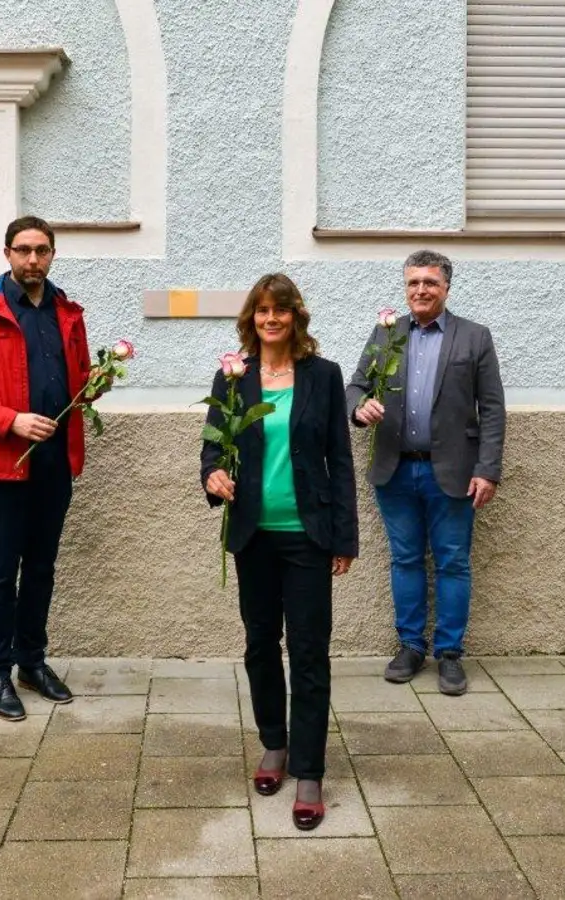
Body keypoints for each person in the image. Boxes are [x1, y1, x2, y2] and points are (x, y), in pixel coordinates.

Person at [201, 273, 358, 831]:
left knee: (310, 650)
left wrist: (345, 538)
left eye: (281, 310)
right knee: (260, 643)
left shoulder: (324, 376)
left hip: (308, 536)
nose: (271, 319)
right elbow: (212, 447)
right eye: (262, 310)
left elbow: (339, 462)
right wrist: (214, 475)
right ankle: (274, 742)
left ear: (296, 317)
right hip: (253, 536)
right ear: (252, 318)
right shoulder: (232, 378)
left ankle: (310, 769)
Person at [0, 215, 90, 720]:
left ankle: (33, 661)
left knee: (43, 568)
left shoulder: (67, 312)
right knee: (2, 572)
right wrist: (11, 420)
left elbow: (81, 378)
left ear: (52, 254)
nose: (33, 259)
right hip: (5, 464)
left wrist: (94, 385)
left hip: (55, 464)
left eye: (42, 250)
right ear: (6, 254)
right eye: (23, 250)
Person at [347, 250, 506, 695]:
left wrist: (487, 469)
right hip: (396, 471)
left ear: (446, 288)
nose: (421, 290)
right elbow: (356, 385)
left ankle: (450, 654)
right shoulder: (386, 334)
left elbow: (492, 409)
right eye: (413, 282)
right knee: (405, 559)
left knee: (454, 562)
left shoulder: (474, 337)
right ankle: (411, 646)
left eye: (430, 283)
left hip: (453, 473)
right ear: (405, 287)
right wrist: (360, 407)